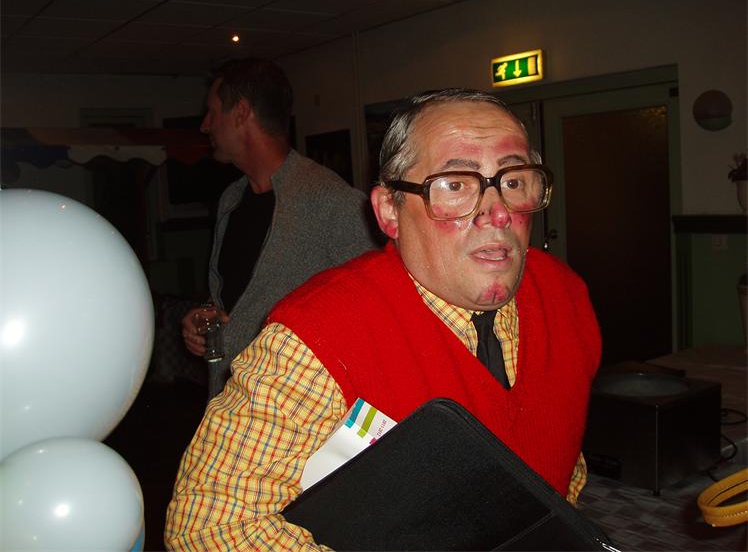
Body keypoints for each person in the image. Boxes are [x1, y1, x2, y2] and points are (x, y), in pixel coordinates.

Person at [165, 88, 601, 550]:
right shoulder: (316, 337)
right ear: (390, 211)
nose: (498, 213)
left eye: (513, 181)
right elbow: (207, 529)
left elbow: (563, 461)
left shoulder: (567, 297)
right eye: (455, 185)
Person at [180, 58, 380, 399]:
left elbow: (377, 306)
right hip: (233, 404)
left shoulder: (330, 200)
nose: (205, 125)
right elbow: (240, 297)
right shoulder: (231, 200)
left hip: (300, 412)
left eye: (212, 112)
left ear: (241, 113)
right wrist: (204, 318)